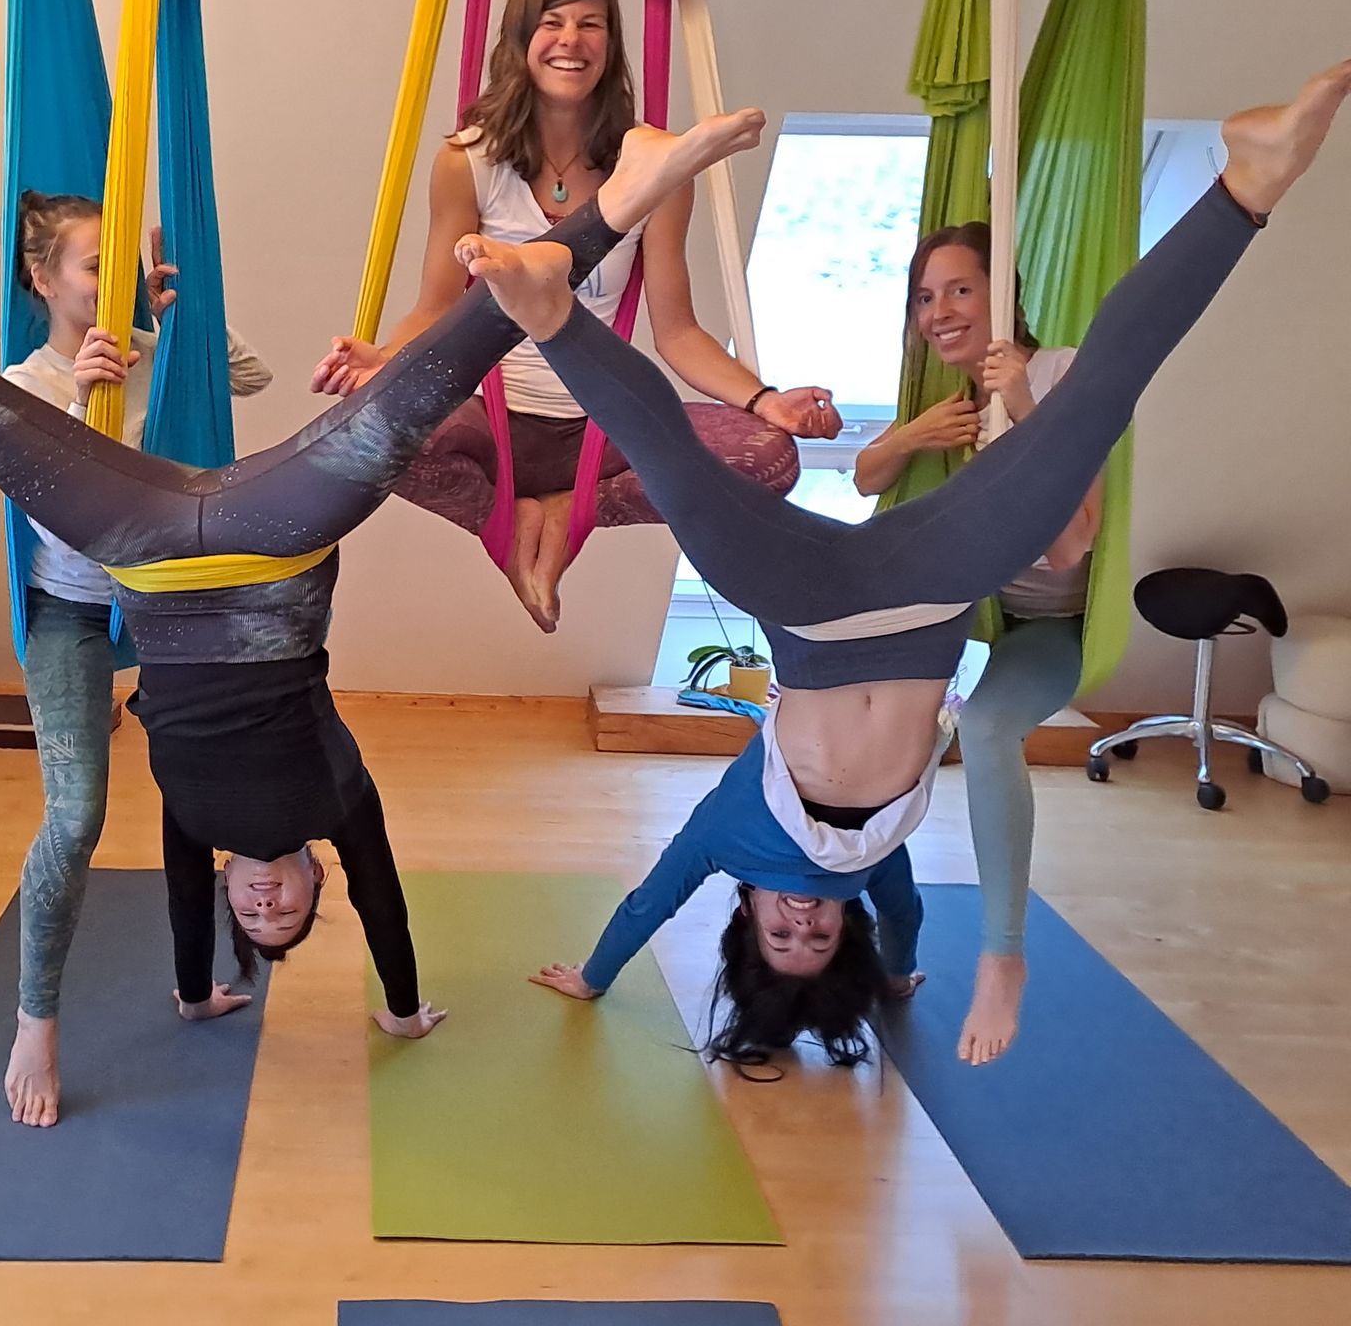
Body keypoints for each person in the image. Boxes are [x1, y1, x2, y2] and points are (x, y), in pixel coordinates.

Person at [0, 101, 771, 1083]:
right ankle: (628, 191)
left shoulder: (195, 837)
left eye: (259, 910)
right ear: (311, 884)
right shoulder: (335, 799)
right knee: (449, 361)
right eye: (292, 906)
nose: (270, 895)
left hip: (137, 545)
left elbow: (189, 928)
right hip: (275, 534)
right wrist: (396, 1008)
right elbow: (386, 897)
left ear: (237, 898)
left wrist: (187, 993)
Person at [516, 62, 1348, 1066]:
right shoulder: (876, 875)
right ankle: (1245, 188)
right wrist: (909, 973)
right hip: (925, 599)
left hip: (811, 617)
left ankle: (552, 315)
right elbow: (902, 925)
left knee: (679, 478)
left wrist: (597, 975)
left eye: (779, 935)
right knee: (1090, 413)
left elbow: (651, 899)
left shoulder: (727, 841)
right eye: (817, 940)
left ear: (746, 919)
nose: (804, 924)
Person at [311, 0, 839, 631]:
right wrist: (380, 363)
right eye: (552, 22)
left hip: (604, 431)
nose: (571, 41)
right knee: (356, 428)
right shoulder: (467, 162)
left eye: (591, 24)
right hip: (488, 421)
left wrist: (768, 400)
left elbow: (676, 331)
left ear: (611, 46)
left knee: (768, 460)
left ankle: (567, 509)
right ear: (521, 40)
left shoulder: (655, 166)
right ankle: (505, 521)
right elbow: (437, 307)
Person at [3, 190, 273, 1126]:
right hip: (72, 611)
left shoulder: (153, 351)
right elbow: (50, 506)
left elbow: (252, 376)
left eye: (120, 270)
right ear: (42, 279)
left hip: (167, 608)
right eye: (92, 269)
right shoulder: (25, 382)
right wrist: (84, 394)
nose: (108, 288)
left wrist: (178, 309)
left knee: (201, 792)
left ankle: (196, 986)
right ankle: (36, 1020)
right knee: (75, 818)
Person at [851, 222, 1096, 1067]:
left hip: (1056, 626)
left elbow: (1072, 546)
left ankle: (1003, 956)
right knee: (879, 735)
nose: (940, 310)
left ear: (1005, 293)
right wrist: (915, 435)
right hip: (975, 610)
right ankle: (888, 958)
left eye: (960, 289)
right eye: (925, 296)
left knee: (989, 731)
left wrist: (1024, 408)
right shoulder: (953, 397)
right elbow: (866, 477)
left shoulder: (1060, 373)